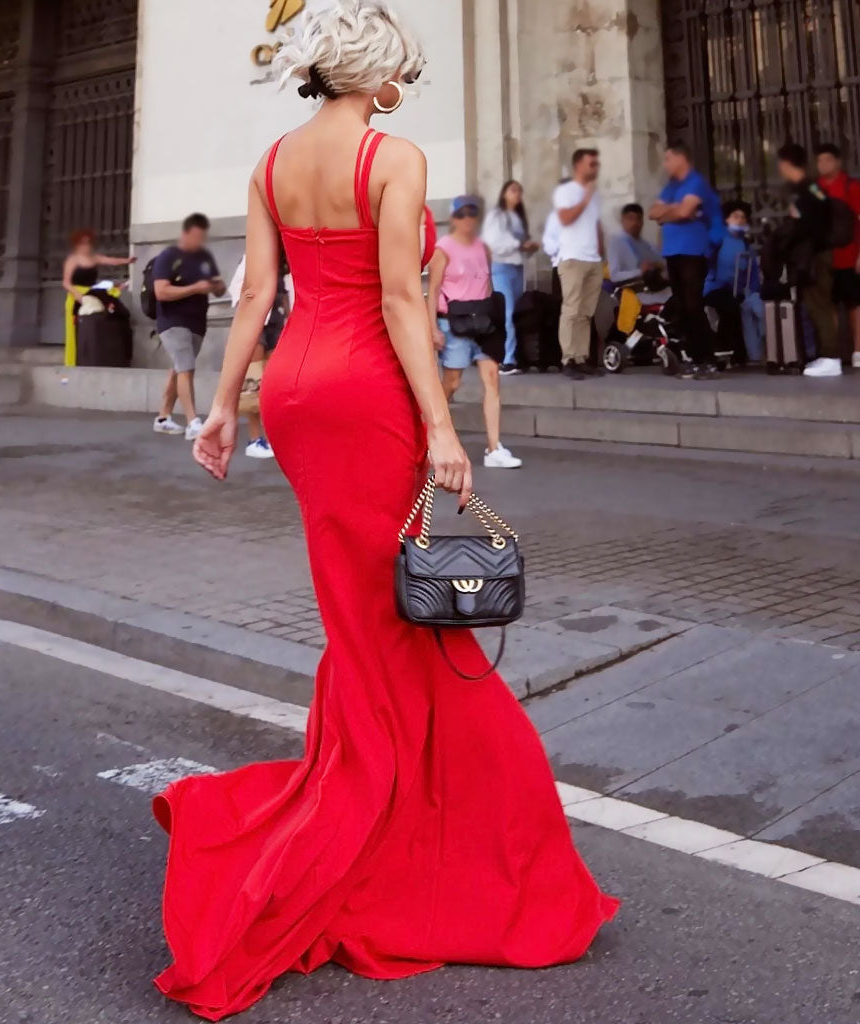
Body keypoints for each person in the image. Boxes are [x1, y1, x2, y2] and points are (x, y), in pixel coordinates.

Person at [154, 3, 618, 1018]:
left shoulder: (274, 160)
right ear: (382, 76)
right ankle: (395, 839)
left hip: (296, 389)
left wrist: (224, 406)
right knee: (396, 622)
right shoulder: (391, 157)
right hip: (367, 389)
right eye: (401, 70)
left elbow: (259, 292)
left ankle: (378, 797)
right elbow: (404, 303)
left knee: (362, 615)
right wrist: (442, 429)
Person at [428, 195, 522, 469]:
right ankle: (430, 431)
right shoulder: (442, 249)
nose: (468, 219)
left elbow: (488, 284)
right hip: (454, 320)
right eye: (462, 214)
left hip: (483, 320)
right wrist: (432, 328)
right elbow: (432, 291)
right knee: (453, 382)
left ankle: (494, 447)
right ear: (454, 218)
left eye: (472, 213)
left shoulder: (483, 248)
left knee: (492, 378)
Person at [650, 141, 724, 379]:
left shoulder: (696, 183)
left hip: (693, 251)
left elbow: (683, 213)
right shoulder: (671, 187)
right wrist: (677, 209)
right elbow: (654, 213)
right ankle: (693, 357)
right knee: (682, 306)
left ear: (681, 159)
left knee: (693, 305)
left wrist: (672, 212)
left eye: (668, 159)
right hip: (672, 251)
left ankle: (707, 358)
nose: (665, 164)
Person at [151, 214, 227, 440]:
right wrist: (194, 288)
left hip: (197, 323)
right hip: (172, 321)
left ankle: (163, 418)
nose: (199, 241)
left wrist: (217, 286)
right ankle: (193, 422)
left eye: (202, 237)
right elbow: (161, 291)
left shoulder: (204, 257)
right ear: (185, 234)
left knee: (179, 368)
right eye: (196, 236)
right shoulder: (169, 257)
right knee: (186, 368)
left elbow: (219, 289)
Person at [775, 143, 840, 378]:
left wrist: (787, 239)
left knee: (819, 305)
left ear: (785, 163)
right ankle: (826, 356)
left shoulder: (806, 191)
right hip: (817, 253)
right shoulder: (813, 189)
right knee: (817, 305)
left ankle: (831, 358)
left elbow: (807, 226)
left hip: (815, 256)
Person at [228, 249, 293, 459]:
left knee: (272, 382)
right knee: (253, 382)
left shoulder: (283, 263)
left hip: (276, 325)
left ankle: (270, 437)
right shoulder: (252, 258)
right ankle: (255, 439)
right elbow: (238, 291)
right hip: (257, 325)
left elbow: (285, 296)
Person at [817, 143, 860, 370]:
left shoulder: (852, 186)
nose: (823, 165)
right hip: (825, 258)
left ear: (837, 162)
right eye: (819, 161)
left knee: (854, 304)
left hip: (850, 256)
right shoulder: (816, 188)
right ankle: (832, 354)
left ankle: (858, 351)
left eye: (827, 160)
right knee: (828, 306)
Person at [553, 149, 605, 380]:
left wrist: (602, 253)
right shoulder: (566, 192)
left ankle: (582, 356)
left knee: (586, 312)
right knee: (571, 309)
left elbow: (597, 224)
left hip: (593, 260)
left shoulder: (595, 194)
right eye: (590, 164)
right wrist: (584, 198)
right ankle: (568, 358)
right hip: (572, 258)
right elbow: (565, 218)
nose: (595, 168)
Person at [481, 180, 538, 375]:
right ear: (504, 193)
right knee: (507, 313)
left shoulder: (517, 218)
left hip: (516, 267)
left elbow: (520, 246)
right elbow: (493, 242)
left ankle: (513, 355)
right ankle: (506, 358)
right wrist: (518, 245)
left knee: (514, 313)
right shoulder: (495, 216)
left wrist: (529, 248)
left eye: (519, 192)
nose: (517, 195)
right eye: (513, 190)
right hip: (501, 267)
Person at [60, 229, 134, 367]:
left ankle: (89, 358)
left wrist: (128, 261)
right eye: (83, 243)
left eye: (88, 243)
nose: (86, 246)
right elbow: (66, 282)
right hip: (76, 296)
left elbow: (111, 261)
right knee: (74, 331)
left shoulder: (94, 257)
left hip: (91, 295)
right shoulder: (73, 260)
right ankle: (72, 363)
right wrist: (78, 295)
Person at [704, 201, 765, 363]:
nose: (740, 220)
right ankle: (722, 348)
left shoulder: (746, 246)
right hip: (714, 288)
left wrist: (753, 292)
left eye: (743, 217)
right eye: (736, 216)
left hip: (737, 292)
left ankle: (740, 353)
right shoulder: (717, 240)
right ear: (726, 219)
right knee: (729, 307)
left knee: (742, 308)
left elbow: (752, 276)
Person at [607, 203, 667, 290]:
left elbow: (662, 263)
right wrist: (640, 271)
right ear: (622, 221)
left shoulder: (646, 245)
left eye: (638, 218)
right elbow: (614, 276)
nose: (635, 223)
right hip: (631, 290)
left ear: (642, 221)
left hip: (652, 285)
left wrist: (657, 265)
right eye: (630, 218)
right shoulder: (616, 242)